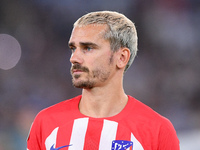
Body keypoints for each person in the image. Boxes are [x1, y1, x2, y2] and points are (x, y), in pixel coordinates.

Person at [27, 11, 180, 150]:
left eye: (88, 48)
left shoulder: (157, 130)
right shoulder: (45, 123)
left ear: (121, 58)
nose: (74, 58)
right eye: (73, 48)